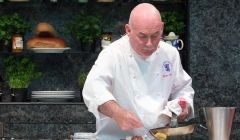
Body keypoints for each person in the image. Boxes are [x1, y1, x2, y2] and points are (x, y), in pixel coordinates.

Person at [82, 3, 194, 140]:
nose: (149, 43)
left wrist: (183, 106)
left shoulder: (170, 54)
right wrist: (116, 112)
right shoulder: (112, 54)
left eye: (155, 35)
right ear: (128, 30)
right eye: (142, 36)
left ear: (162, 28)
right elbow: (93, 88)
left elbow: (183, 89)